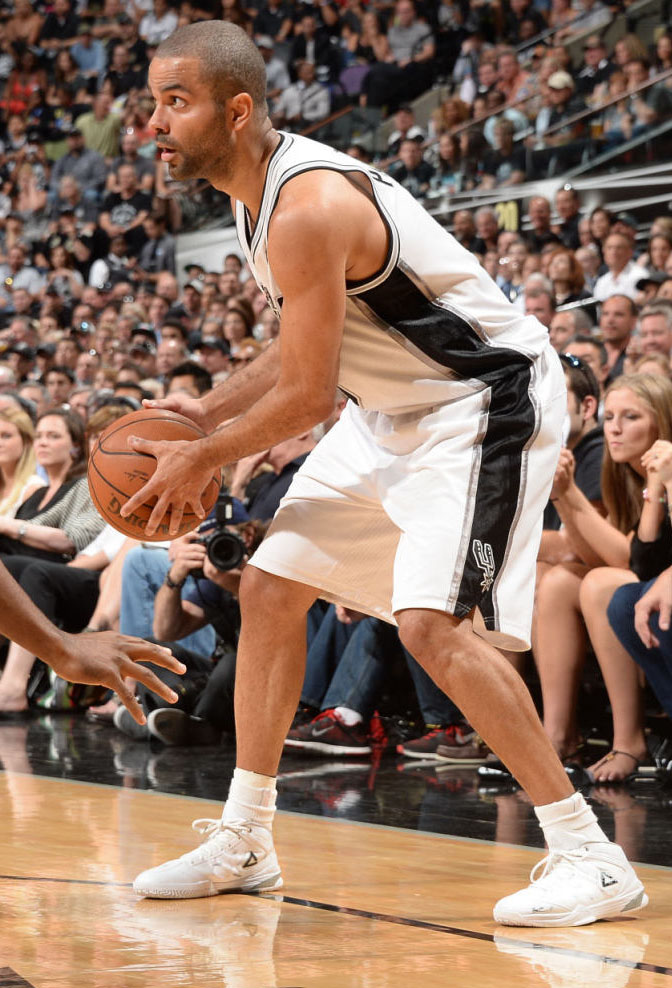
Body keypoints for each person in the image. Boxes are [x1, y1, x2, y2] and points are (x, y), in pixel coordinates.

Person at [123, 21, 646, 926]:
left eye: (177, 103)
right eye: (153, 103)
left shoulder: (306, 205)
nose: (155, 125)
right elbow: (303, 349)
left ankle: (590, 855)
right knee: (275, 589)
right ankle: (247, 838)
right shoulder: (256, 199)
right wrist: (203, 412)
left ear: (237, 110)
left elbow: (308, 393)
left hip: (482, 400)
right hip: (390, 408)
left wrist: (202, 453)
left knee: (429, 628)